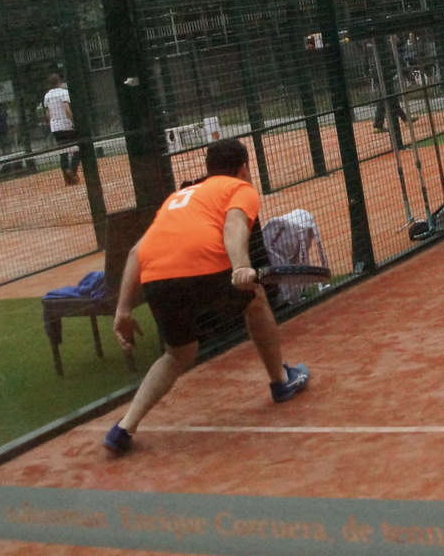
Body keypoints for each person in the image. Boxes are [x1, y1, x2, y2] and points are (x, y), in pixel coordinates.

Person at [105, 138, 310, 455]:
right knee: (256, 300)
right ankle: (281, 381)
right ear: (244, 168)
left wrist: (123, 311)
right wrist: (240, 266)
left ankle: (124, 427)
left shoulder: (179, 197)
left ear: (208, 169)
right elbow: (234, 225)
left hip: (156, 280)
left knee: (178, 353)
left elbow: (135, 252)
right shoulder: (240, 188)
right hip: (202, 268)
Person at [42, 73, 81, 184]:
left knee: (63, 152)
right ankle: (72, 170)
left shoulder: (47, 96)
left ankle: (67, 179)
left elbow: (48, 113)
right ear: (59, 82)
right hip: (66, 125)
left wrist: (50, 124)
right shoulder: (64, 92)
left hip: (55, 127)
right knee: (78, 148)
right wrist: (73, 121)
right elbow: (66, 108)